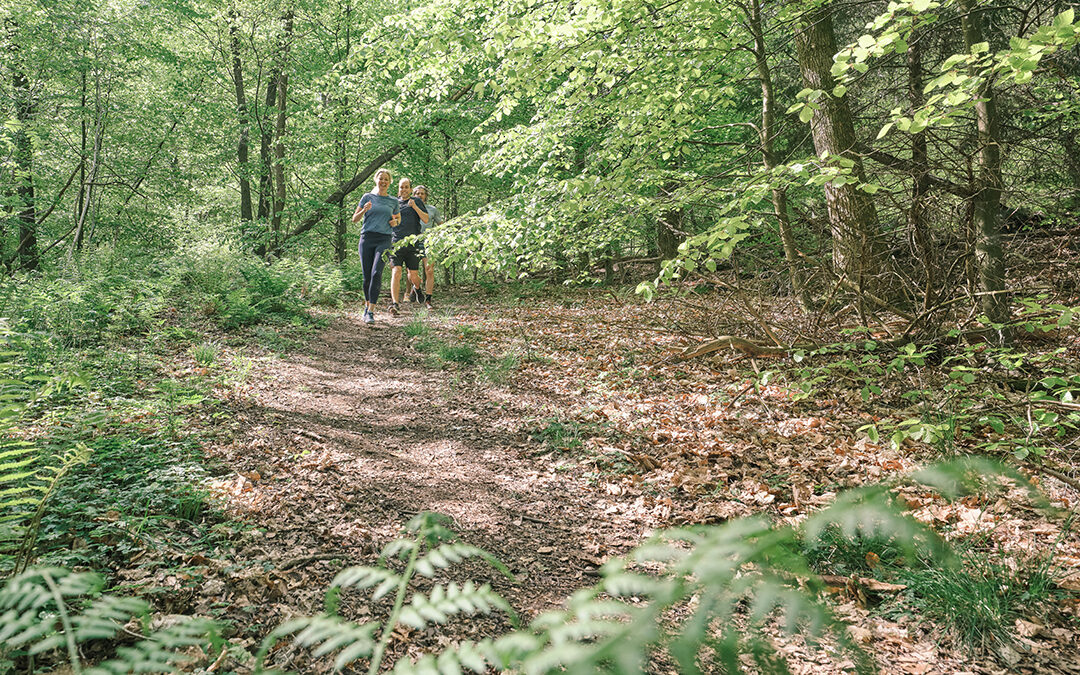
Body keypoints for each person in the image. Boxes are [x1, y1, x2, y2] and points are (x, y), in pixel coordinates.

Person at [352, 168, 400, 325]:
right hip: (367, 238)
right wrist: (364, 210)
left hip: (385, 240)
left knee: (376, 273)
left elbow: (397, 219)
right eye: (381, 178)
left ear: (390, 182)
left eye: (386, 179)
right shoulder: (367, 197)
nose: (383, 181)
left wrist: (396, 222)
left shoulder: (393, 201)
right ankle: (367, 306)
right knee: (367, 277)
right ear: (376, 180)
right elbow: (354, 219)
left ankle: (371, 311)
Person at [387, 177, 428, 315]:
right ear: (398, 189)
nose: (403, 190)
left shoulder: (416, 201)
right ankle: (395, 304)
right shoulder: (393, 203)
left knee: (413, 276)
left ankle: (417, 288)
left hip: (412, 244)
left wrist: (415, 207)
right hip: (396, 243)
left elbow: (426, 219)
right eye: (401, 187)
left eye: (406, 187)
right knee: (396, 272)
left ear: (411, 189)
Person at [410, 185, 442, 309]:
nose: (419, 195)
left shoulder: (432, 209)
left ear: (426, 196)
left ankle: (428, 300)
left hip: (428, 242)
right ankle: (416, 287)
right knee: (411, 273)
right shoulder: (409, 208)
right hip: (412, 242)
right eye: (417, 193)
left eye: (422, 193)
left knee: (429, 270)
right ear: (413, 195)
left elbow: (440, 224)